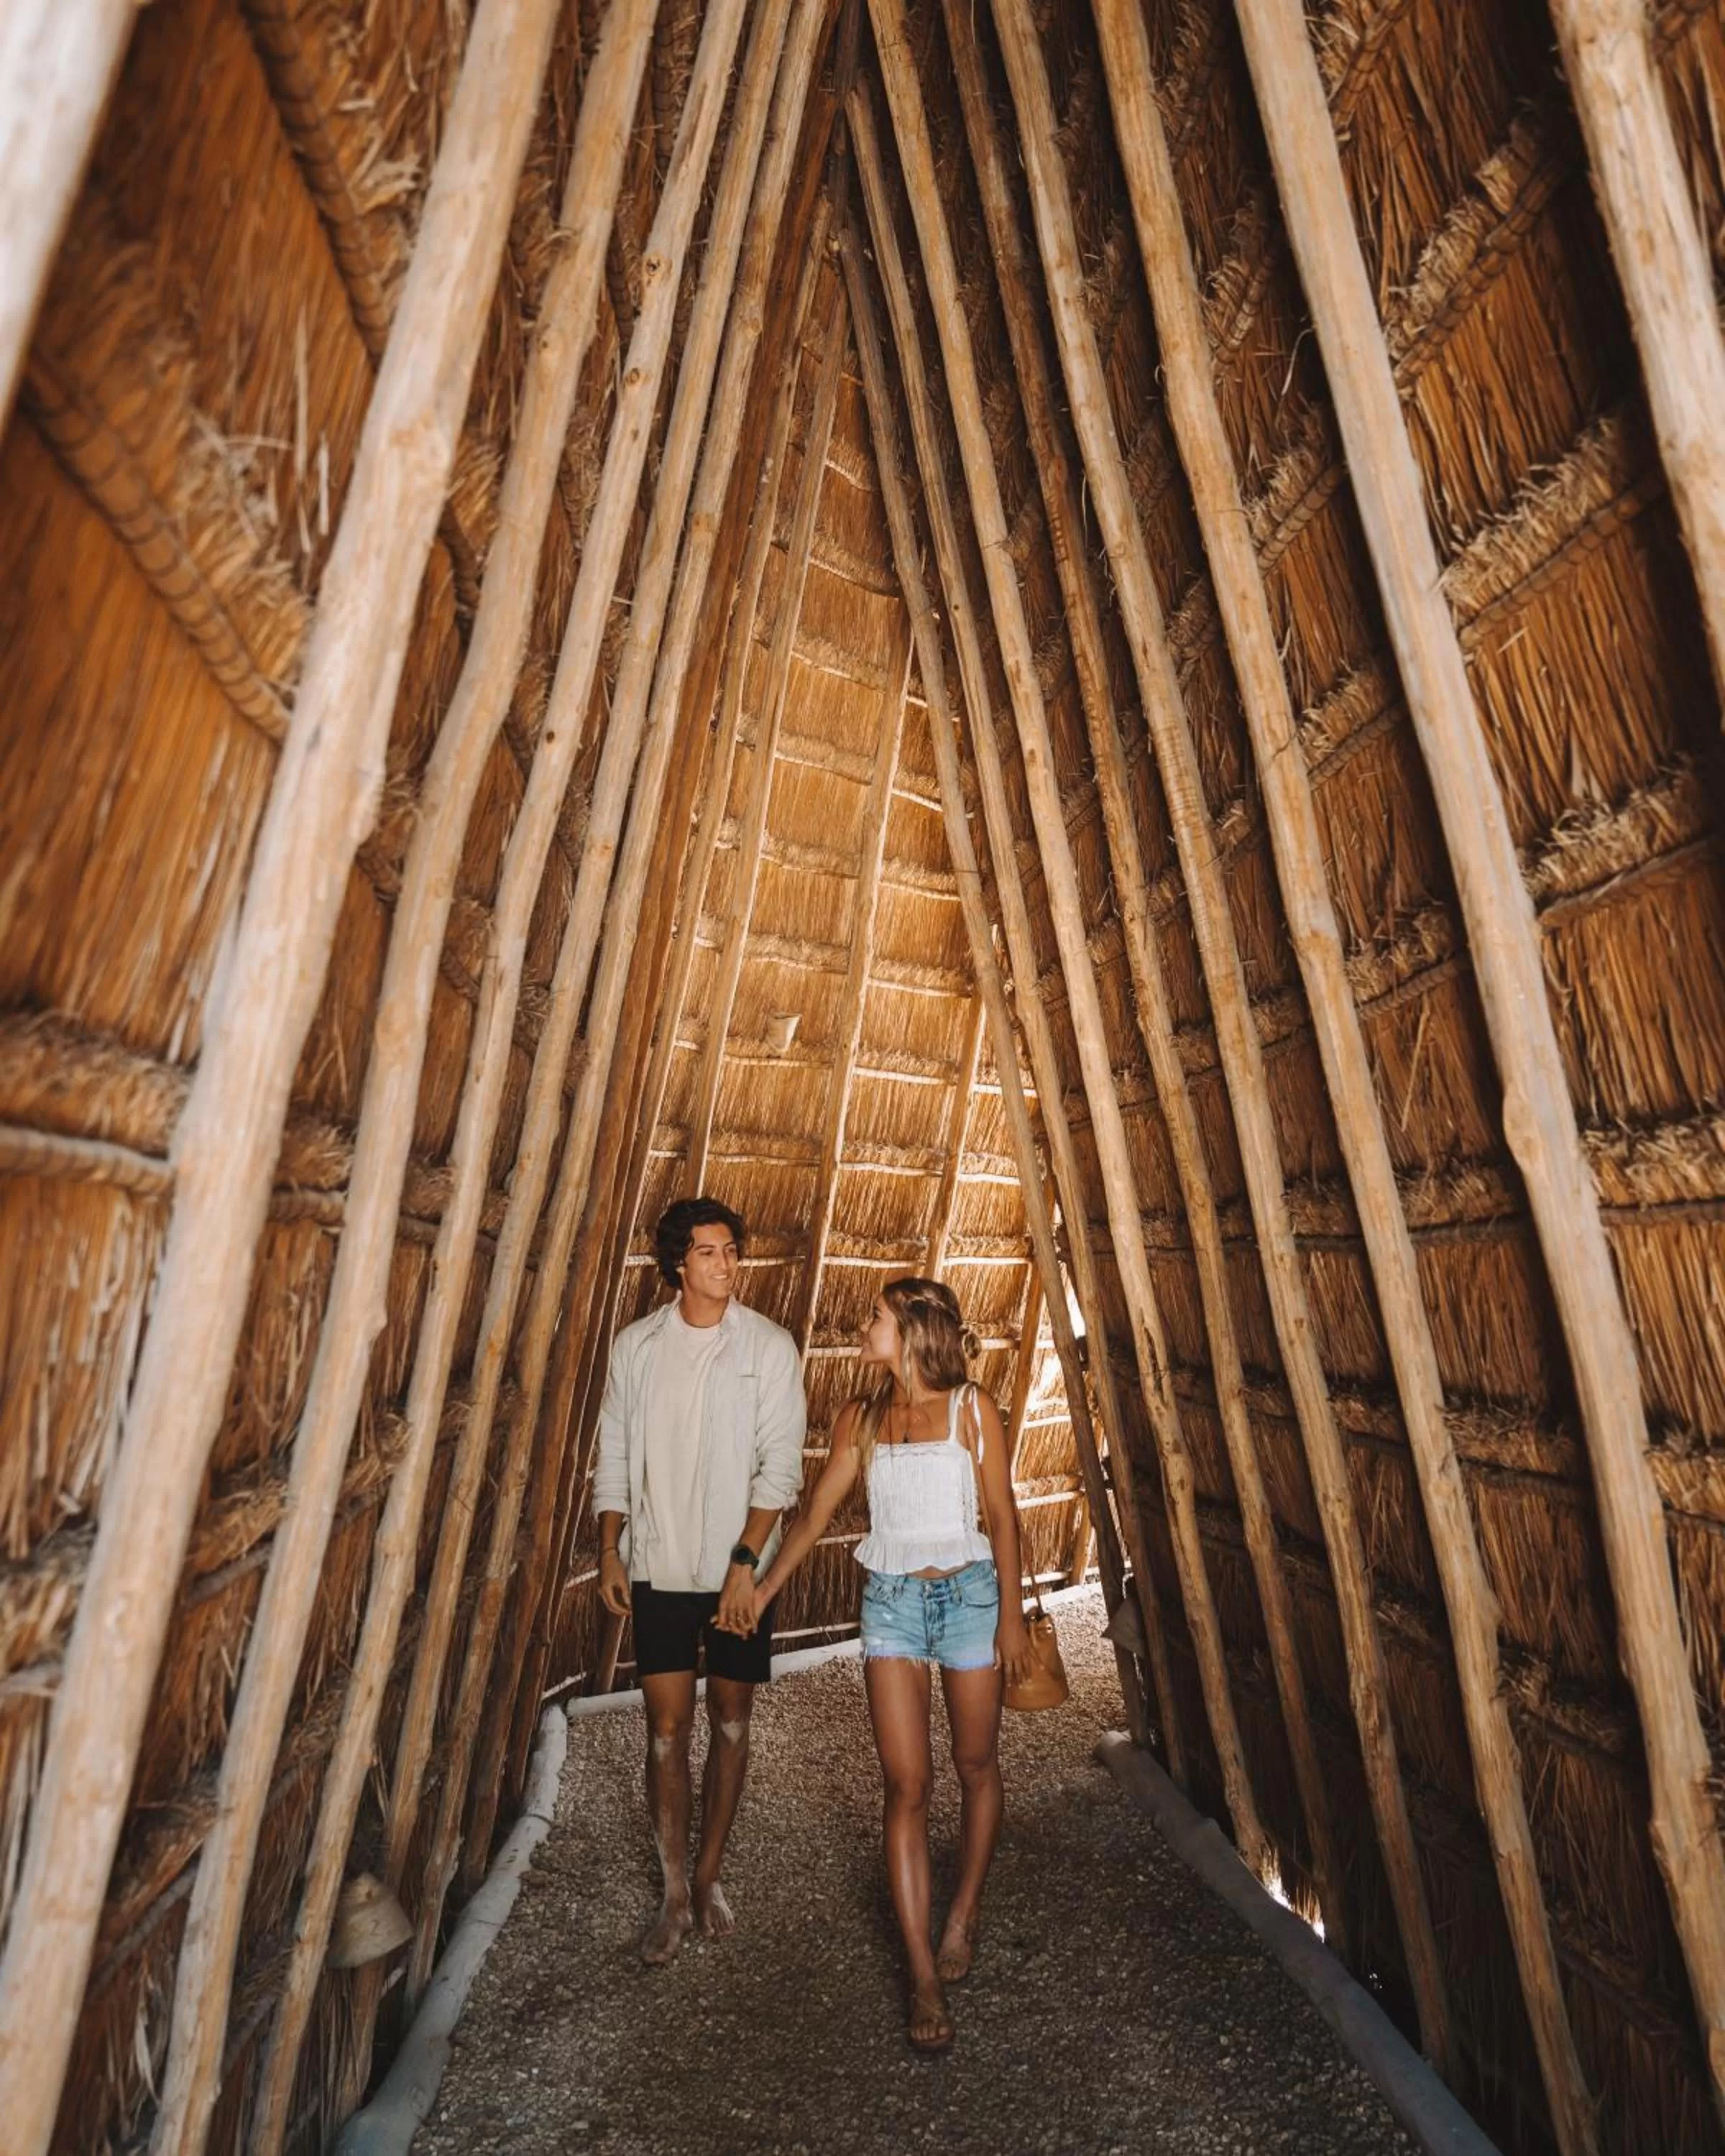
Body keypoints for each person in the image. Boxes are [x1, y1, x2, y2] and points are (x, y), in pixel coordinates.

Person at [750, 1277, 1031, 2052]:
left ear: (910, 1330)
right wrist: (766, 1589)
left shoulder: (972, 1409)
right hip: (892, 1605)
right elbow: (816, 1513)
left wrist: (1010, 1618)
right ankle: (922, 1974)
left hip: (970, 1599)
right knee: (907, 1785)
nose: (862, 1325)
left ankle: (963, 1913)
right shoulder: (862, 1418)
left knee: (976, 1764)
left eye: (875, 1317)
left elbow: (1002, 1515)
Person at [593, 1196, 806, 1964]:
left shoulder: (768, 1347)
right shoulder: (637, 1348)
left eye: (732, 1250)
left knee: (731, 1720)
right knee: (666, 1730)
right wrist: (610, 1550)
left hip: (737, 1574)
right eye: (710, 1252)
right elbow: (615, 1453)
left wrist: (746, 1565)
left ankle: (711, 1874)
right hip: (659, 1563)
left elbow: (780, 1468)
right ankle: (674, 1891)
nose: (727, 1264)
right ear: (678, 1264)